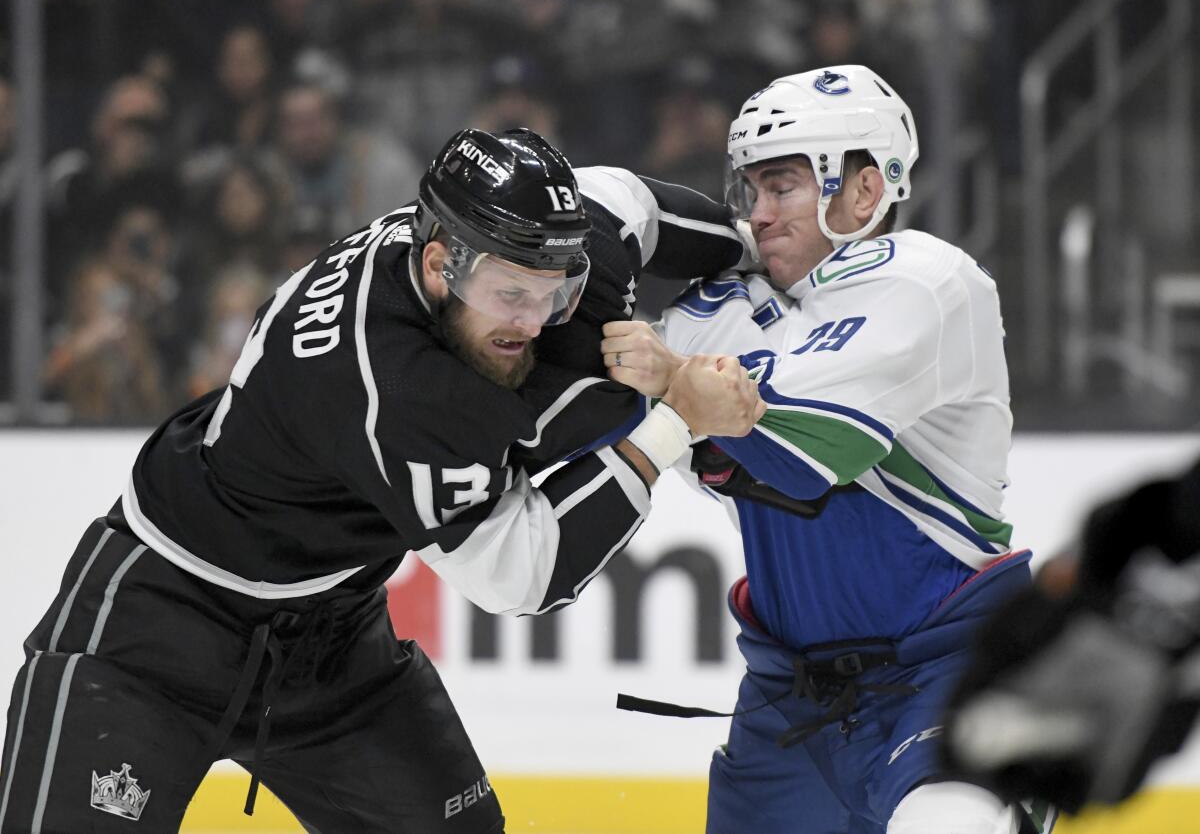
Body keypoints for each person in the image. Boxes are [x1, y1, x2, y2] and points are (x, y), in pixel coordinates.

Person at [0, 127, 763, 832]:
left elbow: (630, 204)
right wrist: (674, 421)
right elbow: (524, 574)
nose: (535, 321)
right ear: (440, 266)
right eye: (511, 295)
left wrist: (757, 259)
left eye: (555, 291)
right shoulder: (391, 390)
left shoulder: (499, 240)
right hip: (156, 631)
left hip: (333, 641)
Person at [604, 66, 1049, 834]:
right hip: (788, 698)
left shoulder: (932, 283)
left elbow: (814, 452)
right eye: (751, 189)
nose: (758, 214)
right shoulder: (720, 302)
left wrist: (679, 380)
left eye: (784, 187)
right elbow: (666, 434)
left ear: (866, 191)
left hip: (946, 670)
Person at [943, 457, 1200, 815]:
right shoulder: (1132, 518)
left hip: (1126, 699)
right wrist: (980, 680)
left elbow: (1184, 694)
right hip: (1068, 664)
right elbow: (1045, 599)